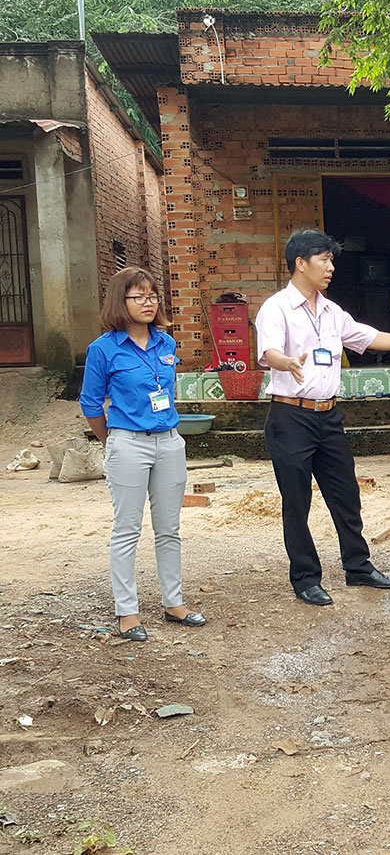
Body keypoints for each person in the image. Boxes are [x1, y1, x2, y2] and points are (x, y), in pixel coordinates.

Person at [256, 229, 390, 606]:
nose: (331, 267)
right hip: (290, 416)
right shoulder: (276, 308)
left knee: (346, 495)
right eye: (324, 260)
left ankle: (358, 566)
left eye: (331, 260)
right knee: (296, 502)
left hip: (329, 416)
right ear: (301, 263)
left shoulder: (332, 312)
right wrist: (286, 362)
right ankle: (305, 578)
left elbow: (368, 336)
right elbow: (270, 351)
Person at [81, 268, 203, 641]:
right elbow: (90, 404)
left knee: (169, 529)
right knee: (127, 530)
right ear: (121, 301)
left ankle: (174, 602)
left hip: (168, 441)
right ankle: (127, 612)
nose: (148, 303)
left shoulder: (166, 344)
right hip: (127, 443)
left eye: (152, 296)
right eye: (139, 297)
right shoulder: (103, 349)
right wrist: (113, 442)